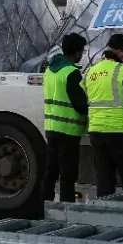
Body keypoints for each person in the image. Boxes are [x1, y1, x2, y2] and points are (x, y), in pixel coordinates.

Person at [83, 33, 123, 197]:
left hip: (97, 133)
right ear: (118, 51)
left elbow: (84, 99)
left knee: (104, 180)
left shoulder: (90, 72)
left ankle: (104, 210)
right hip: (120, 133)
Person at [42, 33, 89, 203]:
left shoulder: (50, 70)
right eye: (82, 51)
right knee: (67, 176)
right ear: (77, 53)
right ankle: (66, 211)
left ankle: (44, 208)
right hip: (68, 131)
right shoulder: (71, 73)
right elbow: (80, 104)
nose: (82, 55)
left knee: (51, 173)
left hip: (51, 128)